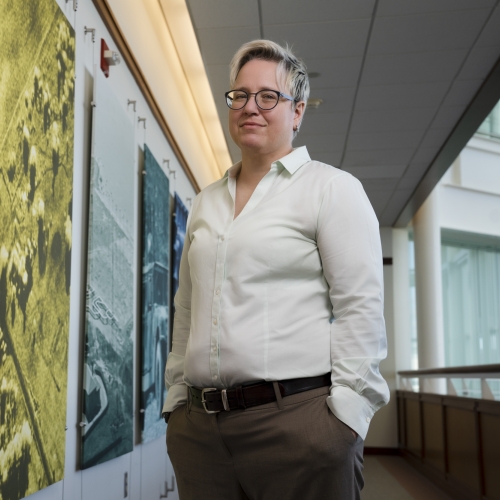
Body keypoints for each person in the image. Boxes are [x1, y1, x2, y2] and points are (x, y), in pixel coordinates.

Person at [162, 39, 390, 500]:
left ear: (298, 111)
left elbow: (359, 308)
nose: (251, 107)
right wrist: (175, 402)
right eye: (240, 95)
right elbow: (186, 309)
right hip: (201, 432)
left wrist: (346, 419)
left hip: (298, 426)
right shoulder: (206, 202)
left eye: (269, 96)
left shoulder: (331, 189)